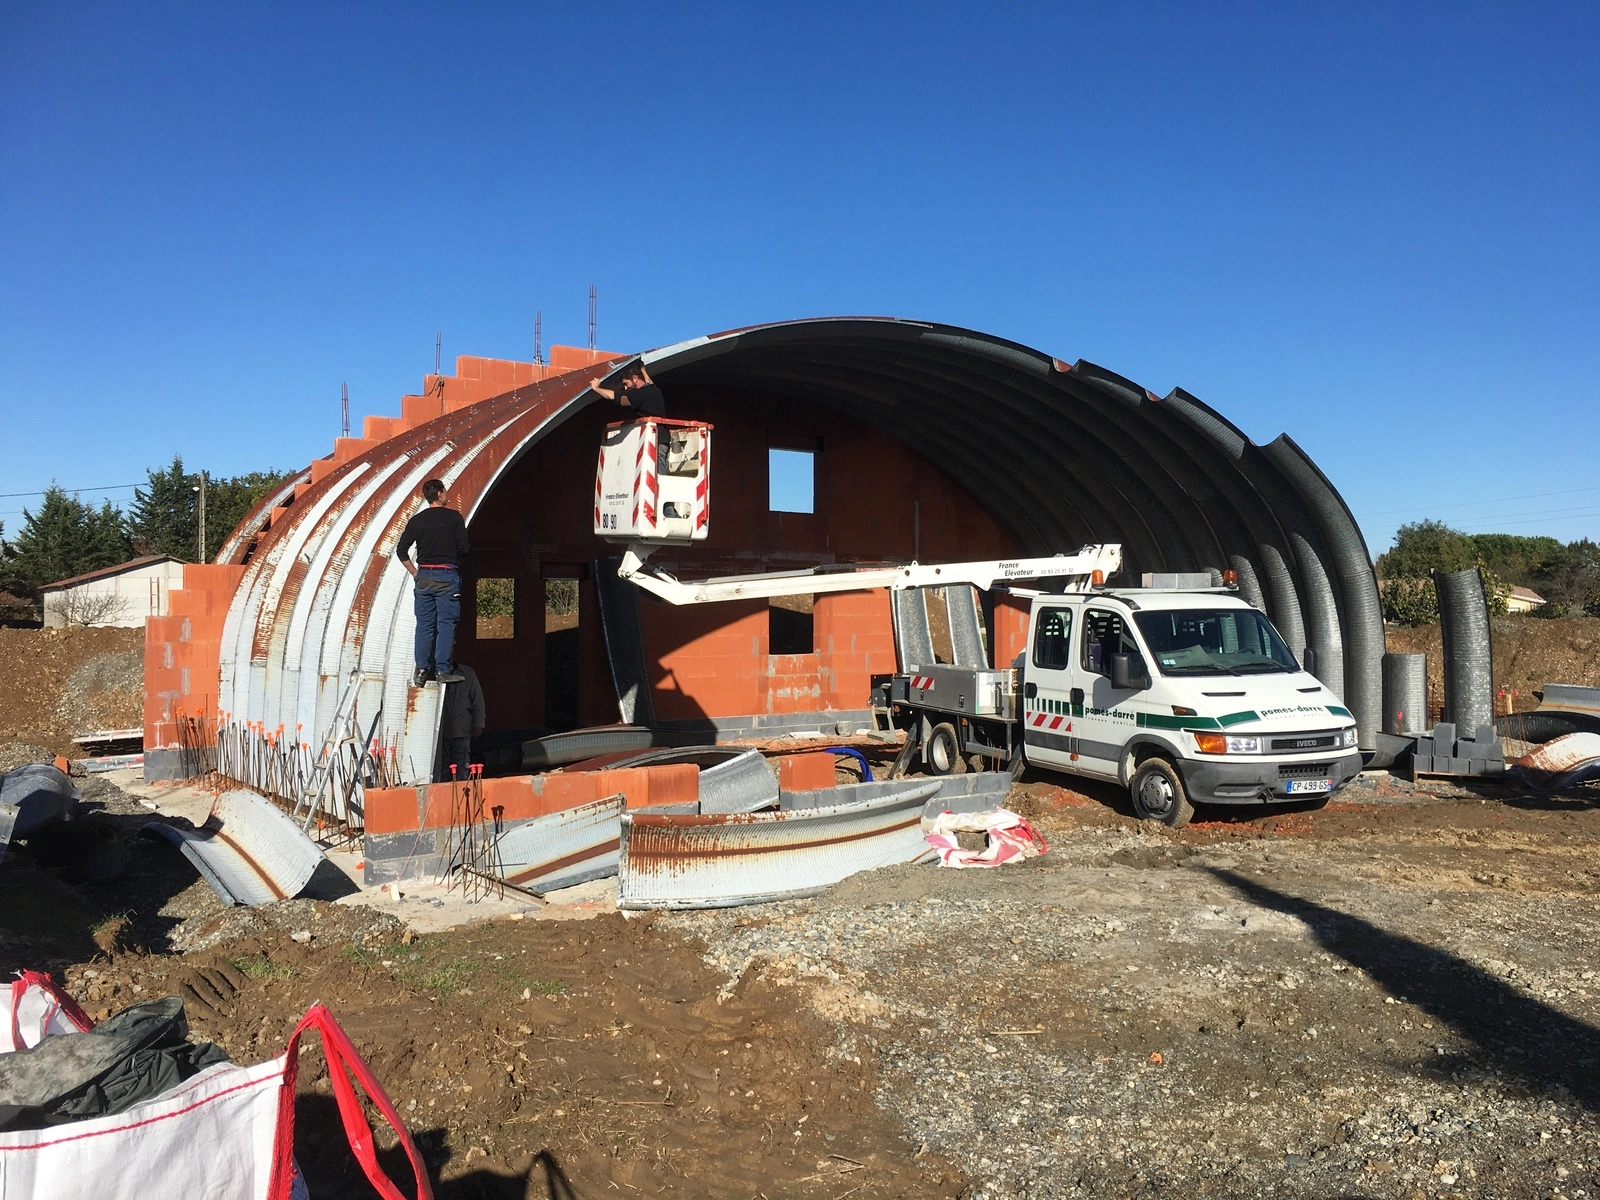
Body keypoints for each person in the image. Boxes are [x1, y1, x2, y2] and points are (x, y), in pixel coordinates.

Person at [395, 478, 470, 686]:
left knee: (425, 625)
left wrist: (416, 573)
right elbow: (465, 548)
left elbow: (401, 551)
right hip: (446, 575)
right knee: (446, 624)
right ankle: (443, 670)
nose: (446, 494)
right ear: (439, 494)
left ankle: (421, 671)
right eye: (445, 491)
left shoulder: (416, 521)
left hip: (424, 576)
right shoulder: (454, 518)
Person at [437, 661, 486, 782]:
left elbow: (478, 700)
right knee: (443, 769)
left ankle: (462, 794)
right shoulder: (435, 674)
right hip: (442, 732)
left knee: (461, 768)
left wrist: (478, 724)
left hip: (462, 730)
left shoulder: (468, 673)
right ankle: (446, 795)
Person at [590, 362, 665, 417]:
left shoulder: (638, 394)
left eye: (626, 383)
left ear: (635, 378)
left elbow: (611, 395)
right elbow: (649, 382)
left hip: (653, 435)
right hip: (661, 435)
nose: (625, 388)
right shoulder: (654, 390)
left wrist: (596, 388)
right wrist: (643, 371)